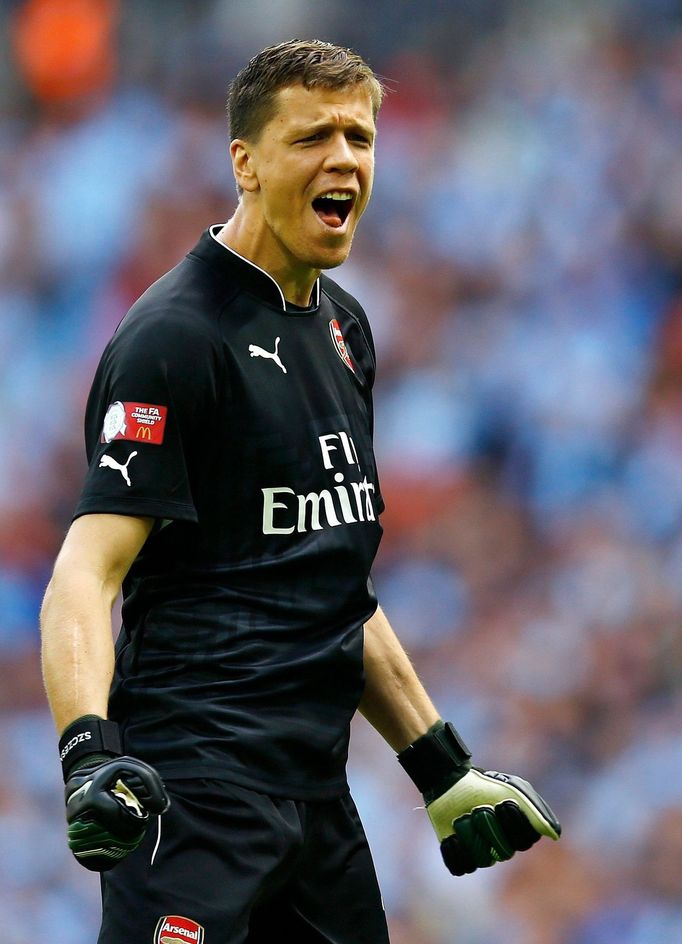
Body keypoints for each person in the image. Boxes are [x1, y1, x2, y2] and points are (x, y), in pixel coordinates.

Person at [40, 39, 561, 944]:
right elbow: (85, 575)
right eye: (313, 136)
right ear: (244, 161)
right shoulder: (174, 339)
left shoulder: (347, 330)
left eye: (359, 137)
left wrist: (437, 763)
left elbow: (328, 588)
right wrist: (90, 752)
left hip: (318, 803)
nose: (345, 160)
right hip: (188, 800)